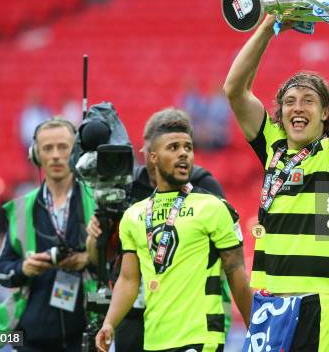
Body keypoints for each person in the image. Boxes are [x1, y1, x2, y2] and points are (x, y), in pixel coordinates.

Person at [223, 4, 329, 351]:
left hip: (317, 301)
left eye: (309, 101)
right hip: (270, 304)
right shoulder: (273, 146)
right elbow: (235, 90)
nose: (297, 107)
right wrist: (270, 24)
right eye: (289, 101)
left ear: (325, 112)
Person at [94, 108, 252, 352]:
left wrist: (257, 330)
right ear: (153, 157)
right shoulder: (134, 215)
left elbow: (236, 273)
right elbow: (128, 279)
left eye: (188, 147)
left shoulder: (213, 207)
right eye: (173, 147)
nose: (183, 154)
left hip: (201, 337)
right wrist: (109, 323)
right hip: (155, 339)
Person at [0, 117, 95, 352]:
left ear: (76, 152)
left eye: (63, 147)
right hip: (31, 339)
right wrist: (23, 269)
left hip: (85, 335)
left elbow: (122, 261)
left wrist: (87, 259)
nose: (56, 155)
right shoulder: (20, 209)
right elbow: (1, 269)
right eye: (47, 148)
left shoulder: (97, 200)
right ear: (36, 155)